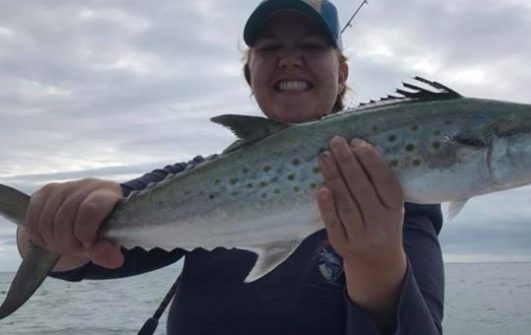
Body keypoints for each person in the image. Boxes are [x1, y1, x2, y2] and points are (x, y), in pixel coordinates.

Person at [16, 1, 445, 334]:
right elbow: (76, 256)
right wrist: (45, 219)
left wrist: (376, 262)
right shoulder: (198, 179)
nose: (291, 59)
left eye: (312, 47)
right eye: (270, 48)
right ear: (249, 76)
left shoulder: (395, 190)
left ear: (342, 71)